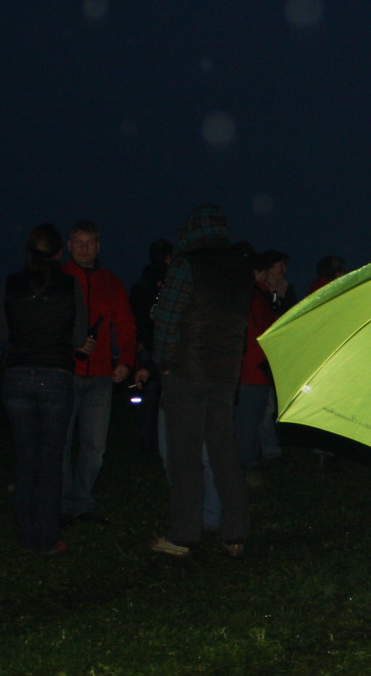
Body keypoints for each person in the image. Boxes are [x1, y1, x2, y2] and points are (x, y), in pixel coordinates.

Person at [149, 202, 253, 557]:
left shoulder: (186, 264)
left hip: (187, 373)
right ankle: (235, 534)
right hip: (225, 376)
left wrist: (163, 361)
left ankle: (184, 536)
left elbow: (167, 319)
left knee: (185, 456)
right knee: (224, 454)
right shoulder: (241, 268)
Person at [1, 224, 87, 554]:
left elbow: (1, 329)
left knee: (25, 460)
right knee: (50, 462)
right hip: (55, 374)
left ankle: (26, 537)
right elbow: (79, 337)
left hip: (18, 375)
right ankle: (48, 538)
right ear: (59, 252)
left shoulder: (11, 283)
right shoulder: (69, 285)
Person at [61, 220, 144, 523]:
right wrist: (71, 345)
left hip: (99, 376)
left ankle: (83, 501)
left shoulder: (111, 282)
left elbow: (125, 324)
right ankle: (63, 503)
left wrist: (126, 360)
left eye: (90, 242)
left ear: (98, 246)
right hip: (65, 372)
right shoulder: (59, 279)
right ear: (69, 245)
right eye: (77, 242)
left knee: (95, 445)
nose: (84, 248)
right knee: (62, 440)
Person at [128, 239, 174, 455]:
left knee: (146, 398)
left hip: (144, 346)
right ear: (168, 257)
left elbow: (132, 316)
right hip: (164, 347)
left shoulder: (140, 284)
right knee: (165, 399)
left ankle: (144, 446)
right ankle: (159, 446)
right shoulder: (169, 282)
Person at [235, 252, 280, 469]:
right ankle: (246, 463)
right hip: (257, 368)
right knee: (249, 420)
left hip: (249, 368)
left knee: (247, 419)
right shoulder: (257, 297)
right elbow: (263, 333)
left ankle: (248, 460)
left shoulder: (248, 296)